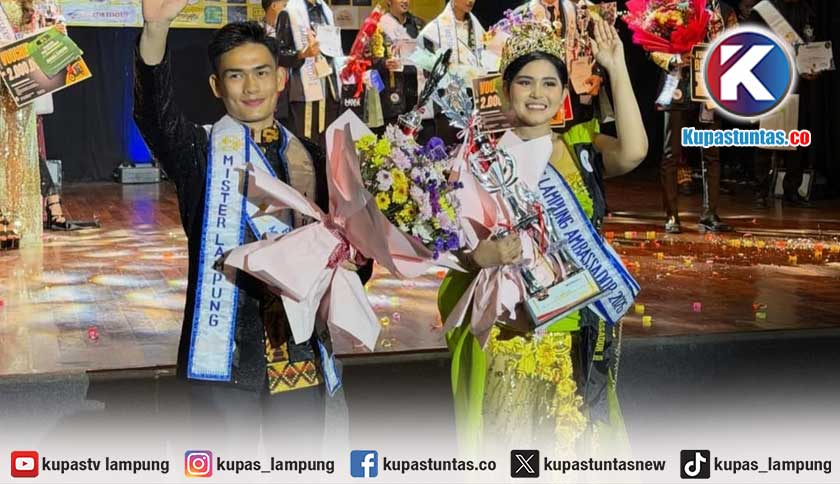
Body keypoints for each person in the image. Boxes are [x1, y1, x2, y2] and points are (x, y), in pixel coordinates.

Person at [134, 0, 371, 454]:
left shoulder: (315, 157)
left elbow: (350, 251)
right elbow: (154, 116)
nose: (251, 87)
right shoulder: (198, 153)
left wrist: (358, 261)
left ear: (281, 78)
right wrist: (156, 29)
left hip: (298, 353)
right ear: (216, 85)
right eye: (235, 75)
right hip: (224, 357)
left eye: (261, 72)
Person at [438, 19, 647, 457]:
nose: (538, 94)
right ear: (504, 89)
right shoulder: (479, 158)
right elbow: (447, 246)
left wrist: (617, 68)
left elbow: (634, 151)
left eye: (550, 83)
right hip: (514, 337)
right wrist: (480, 256)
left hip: (578, 333)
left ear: (563, 93)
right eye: (526, 82)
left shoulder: (580, 145)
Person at [650, 0, 737, 233]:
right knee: (671, 153)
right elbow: (653, 45)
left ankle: (710, 214)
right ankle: (672, 216)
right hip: (677, 83)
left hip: (709, 86)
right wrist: (674, 59)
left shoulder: (725, 10)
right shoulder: (672, 6)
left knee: (712, 154)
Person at [748, 0, 820, 208]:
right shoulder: (763, 10)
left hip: (798, 83)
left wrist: (815, 67)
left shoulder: (807, 10)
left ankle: (792, 190)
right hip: (768, 81)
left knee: (796, 137)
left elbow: (812, 45)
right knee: (765, 138)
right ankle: (760, 191)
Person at [419, 0, 486, 144]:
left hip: (475, 98)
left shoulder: (477, 28)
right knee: (451, 146)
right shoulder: (433, 30)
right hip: (447, 99)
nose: (471, 1)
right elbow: (427, 69)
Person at [278, 0, 340, 147]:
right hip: (304, 92)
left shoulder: (325, 11)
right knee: (306, 145)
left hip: (329, 89)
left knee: (328, 144)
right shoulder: (289, 11)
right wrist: (302, 54)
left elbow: (333, 49)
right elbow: (279, 54)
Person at [371, 0, 426, 130]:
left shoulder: (418, 25)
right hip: (391, 93)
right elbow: (371, 60)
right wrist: (384, 63)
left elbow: (429, 55)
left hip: (416, 89)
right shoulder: (379, 25)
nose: (405, 1)